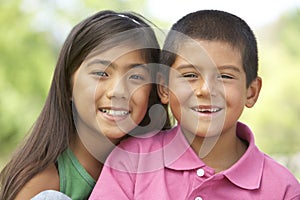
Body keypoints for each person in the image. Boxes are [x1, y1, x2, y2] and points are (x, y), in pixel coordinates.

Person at [89, 10, 300, 199]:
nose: (206, 89)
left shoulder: (283, 189)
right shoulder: (132, 161)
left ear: (251, 92)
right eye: (190, 75)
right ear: (163, 88)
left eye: (225, 76)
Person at [0, 10, 170, 200]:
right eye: (100, 73)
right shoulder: (41, 184)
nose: (118, 91)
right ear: (68, 84)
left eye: (136, 77)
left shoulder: (166, 171)